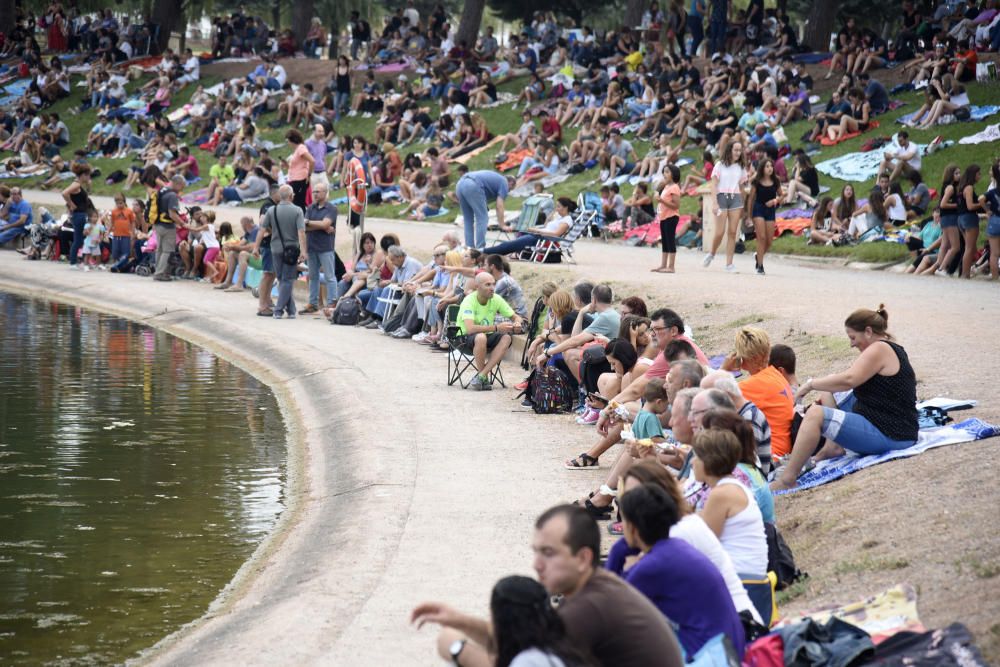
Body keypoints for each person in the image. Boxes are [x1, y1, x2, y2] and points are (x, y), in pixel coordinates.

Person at [411, 505, 684, 667]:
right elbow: (521, 643)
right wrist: (460, 621)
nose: (536, 565)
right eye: (536, 552)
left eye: (549, 553)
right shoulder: (592, 587)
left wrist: (459, 650)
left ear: (583, 558)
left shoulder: (588, 608)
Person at [771, 306, 919, 491]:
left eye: (853, 338)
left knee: (816, 414)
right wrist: (821, 385)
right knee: (828, 389)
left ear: (868, 331)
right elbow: (845, 380)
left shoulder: (879, 348)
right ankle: (831, 448)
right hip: (897, 427)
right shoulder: (888, 348)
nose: (851, 344)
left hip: (893, 434)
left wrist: (809, 385)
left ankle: (787, 479)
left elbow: (849, 380)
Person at [610, 483, 747, 657]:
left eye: (623, 521)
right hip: (725, 648)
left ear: (633, 528)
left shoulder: (654, 564)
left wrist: (616, 554)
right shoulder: (675, 547)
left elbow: (610, 607)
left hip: (710, 656)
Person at [692, 428, 769, 577]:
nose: (692, 462)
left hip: (743, 578)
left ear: (709, 461)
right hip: (751, 573)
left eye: (696, 457)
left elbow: (705, 543)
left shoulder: (721, 494)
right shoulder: (731, 486)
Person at [723, 327, 794, 461]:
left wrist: (724, 370)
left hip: (771, 454)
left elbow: (710, 398)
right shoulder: (775, 374)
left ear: (747, 358)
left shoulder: (752, 385)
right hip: (783, 448)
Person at [456, 272, 525, 391]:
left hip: (485, 337)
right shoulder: (469, 301)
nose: (492, 288)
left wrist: (518, 323)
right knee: (481, 337)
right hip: (464, 339)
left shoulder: (496, 298)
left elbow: (516, 317)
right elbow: (470, 328)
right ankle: (483, 376)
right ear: (477, 287)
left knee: (507, 338)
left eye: (493, 284)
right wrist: (497, 328)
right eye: (488, 285)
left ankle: (482, 375)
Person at [260, 184, 307, 319]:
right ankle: (279, 310)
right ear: (291, 196)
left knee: (282, 279)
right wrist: (304, 251)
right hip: (291, 250)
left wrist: (256, 247)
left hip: (275, 248)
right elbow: (301, 232)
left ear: (280, 196)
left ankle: (291, 310)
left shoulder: (271, 210)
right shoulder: (297, 210)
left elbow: (262, 229)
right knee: (287, 280)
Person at [483, 197, 576, 257]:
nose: (556, 208)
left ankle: (483, 252)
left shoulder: (567, 220)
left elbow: (556, 234)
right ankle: (487, 252)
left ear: (566, 208)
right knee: (514, 241)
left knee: (508, 245)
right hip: (540, 236)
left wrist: (537, 231)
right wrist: (549, 217)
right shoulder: (560, 217)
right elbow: (546, 227)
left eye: (558, 206)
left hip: (541, 239)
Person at [706, 139, 746, 273]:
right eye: (736, 150)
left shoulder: (741, 167)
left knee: (733, 232)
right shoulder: (719, 165)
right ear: (729, 150)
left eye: (740, 150)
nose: (738, 153)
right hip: (721, 197)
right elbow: (714, 185)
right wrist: (715, 202)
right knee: (720, 232)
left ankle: (729, 264)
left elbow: (742, 187)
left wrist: (744, 205)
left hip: (736, 199)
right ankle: (712, 253)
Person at [456, 170, 516, 250]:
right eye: (510, 189)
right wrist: (502, 225)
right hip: (473, 185)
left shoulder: (496, 179)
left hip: (460, 184)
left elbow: (482, 197)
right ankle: (480, 249)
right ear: (511, 183)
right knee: (482, 218)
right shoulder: (504, 183)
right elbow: (499, 206)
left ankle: (469, 249)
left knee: (468, 220)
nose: (508, 192)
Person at [747, 158, 782, 275]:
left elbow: (782, 196)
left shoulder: (776, 181)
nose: (770, 168)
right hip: (758, 209)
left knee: (769, 241)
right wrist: (748, 215)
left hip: (770, 211)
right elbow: (751, 199)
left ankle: (758, 255)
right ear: (762, 168)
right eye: (767, 166)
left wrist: (775, 200)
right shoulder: (756, 181)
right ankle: (760, 266)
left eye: (771, 166)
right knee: (761, 237)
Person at [61, 164, 93, 269]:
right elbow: (64, 193)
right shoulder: (76, 185)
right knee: (79, 239)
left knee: (80, 238)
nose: (89, 178)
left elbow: (86, 196)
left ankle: (76, 261)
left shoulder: (78, 184)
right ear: (83, 175)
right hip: (79, 214)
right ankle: (73, 262)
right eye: (88, 176)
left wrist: (89, 185)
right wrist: (71, 204)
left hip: (80, 214)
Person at [652, 163, 681, 274]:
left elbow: (676, 206)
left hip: (671, 217)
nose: (665, 174)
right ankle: (663, 265)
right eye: (664, 171)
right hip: (663, 217)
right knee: (664, 241)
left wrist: (662, 201)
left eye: (667, 172)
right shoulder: (666, 187)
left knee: (670, 241)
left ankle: (671, 266)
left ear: (673, 174)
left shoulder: (674, 187)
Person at [286, 128, 314, 211]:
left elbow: (312, 160)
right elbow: (297, 166)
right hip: (295, 179)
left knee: (299, 203)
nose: (288, 143)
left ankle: (301, 221)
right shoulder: (297, 150)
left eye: (288, 140)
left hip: (300, 180)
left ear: (292, 140)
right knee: (296, 203)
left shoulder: (301, 148)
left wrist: (309, 175)